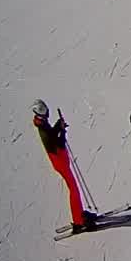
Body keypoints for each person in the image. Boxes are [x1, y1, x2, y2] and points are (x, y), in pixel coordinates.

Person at [32, 100, 97, 233]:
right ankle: (79, 221)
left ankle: (79, 214)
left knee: (74, 187)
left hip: (60, 160)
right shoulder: (43, 129)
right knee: (73, 188)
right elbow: (56, 143)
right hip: (60, 161)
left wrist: (58, 127)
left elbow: (52, 135)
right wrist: (62, 132)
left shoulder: (43, 125)